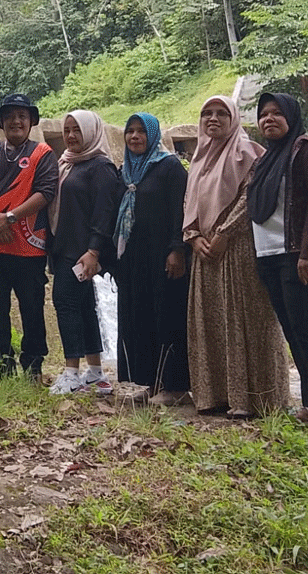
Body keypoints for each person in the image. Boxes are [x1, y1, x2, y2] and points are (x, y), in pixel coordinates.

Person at [184, 96, 289, 418]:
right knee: (209, 323)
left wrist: (224, 234)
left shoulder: (251, 154)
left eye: (220, 113)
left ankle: (254, 398)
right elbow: (188, 204)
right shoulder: (199, 162)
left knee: (244, 320)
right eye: (206, 113)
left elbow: (250, 199)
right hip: (204, 254)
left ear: (234, 118)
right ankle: (214, 396)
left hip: (239, 250)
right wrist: (193, 237)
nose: (212, 119)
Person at [248, 92, 308, 420]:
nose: (269, 119)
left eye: (276, 113)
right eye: (263, 114)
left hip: (303, 254)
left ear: (291, 116)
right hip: (272, 254)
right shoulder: (265, 159)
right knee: (293, 331)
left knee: (307, 329)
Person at [0, 94, 57, 378]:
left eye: (22, 116)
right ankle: (1, 361)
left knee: (31, 306)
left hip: (29, 246)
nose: (16, 121)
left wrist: (8, 218)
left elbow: (45, 193)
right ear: (1, 122)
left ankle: (33, 365)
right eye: (10, 116)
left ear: (31, 121)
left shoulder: (43, 154)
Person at [112, 112, 190, 404]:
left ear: (153, 135)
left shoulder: (170, 167)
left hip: (164, 256)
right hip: (134, 259)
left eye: (141, 131)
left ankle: (176, 386)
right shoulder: (126, 171)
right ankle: (153, 384)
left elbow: (180, 211)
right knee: (142, 318)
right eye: (130, 131)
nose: (134, 137)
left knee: (168, 316)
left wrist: (177, 249)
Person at [48, 110, 122, 395]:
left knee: (64, 303)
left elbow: (105, 212)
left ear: (91, 132)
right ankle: (94, 372)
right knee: (84, 307)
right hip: (65, 247)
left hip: (81, 251)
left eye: (77, 130)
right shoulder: (67, 163)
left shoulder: (99, 166)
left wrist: (94, 251)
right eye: (67, 130)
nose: (70, 136)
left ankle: (70, 373)